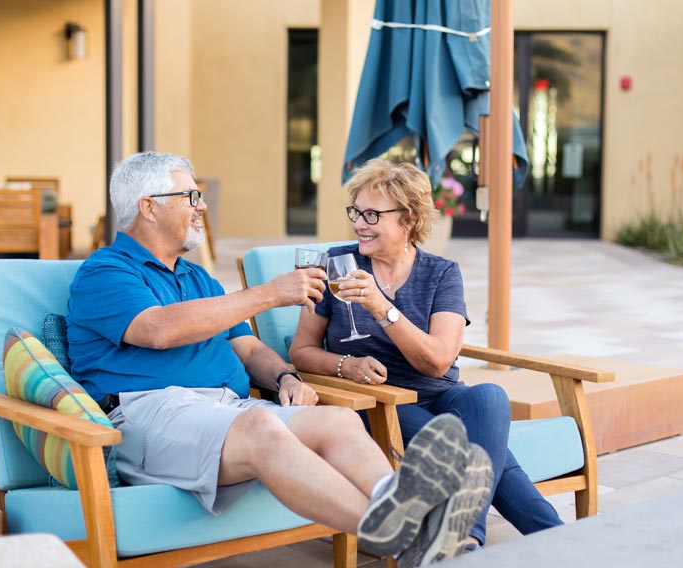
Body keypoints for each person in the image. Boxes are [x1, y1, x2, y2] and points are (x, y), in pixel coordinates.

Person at [65, 151, 493, 566]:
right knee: (261, 426)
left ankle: (403, 513)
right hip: (150, 412)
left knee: (337, 419)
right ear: (149, 207)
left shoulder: (196, 277)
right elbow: (158, 330)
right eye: (191, 197)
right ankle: (403, 535)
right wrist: (269, 293)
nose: (202, 205)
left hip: (225, 408)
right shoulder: (106, 271)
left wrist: (286, 378)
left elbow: (247, 348)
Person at [289, 158, 564, 550]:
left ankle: (466, 535)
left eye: (372, 214)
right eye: (356, 212)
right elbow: (300, 350)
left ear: (409, 220)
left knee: (489, 397)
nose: (359, 224)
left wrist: (381, 306)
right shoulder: (336, 264)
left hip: (440, 393)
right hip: (379, 402)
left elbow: (437, 361)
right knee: (480, 451)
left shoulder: (441, 273)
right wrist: (346, 365)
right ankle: (554, 541)